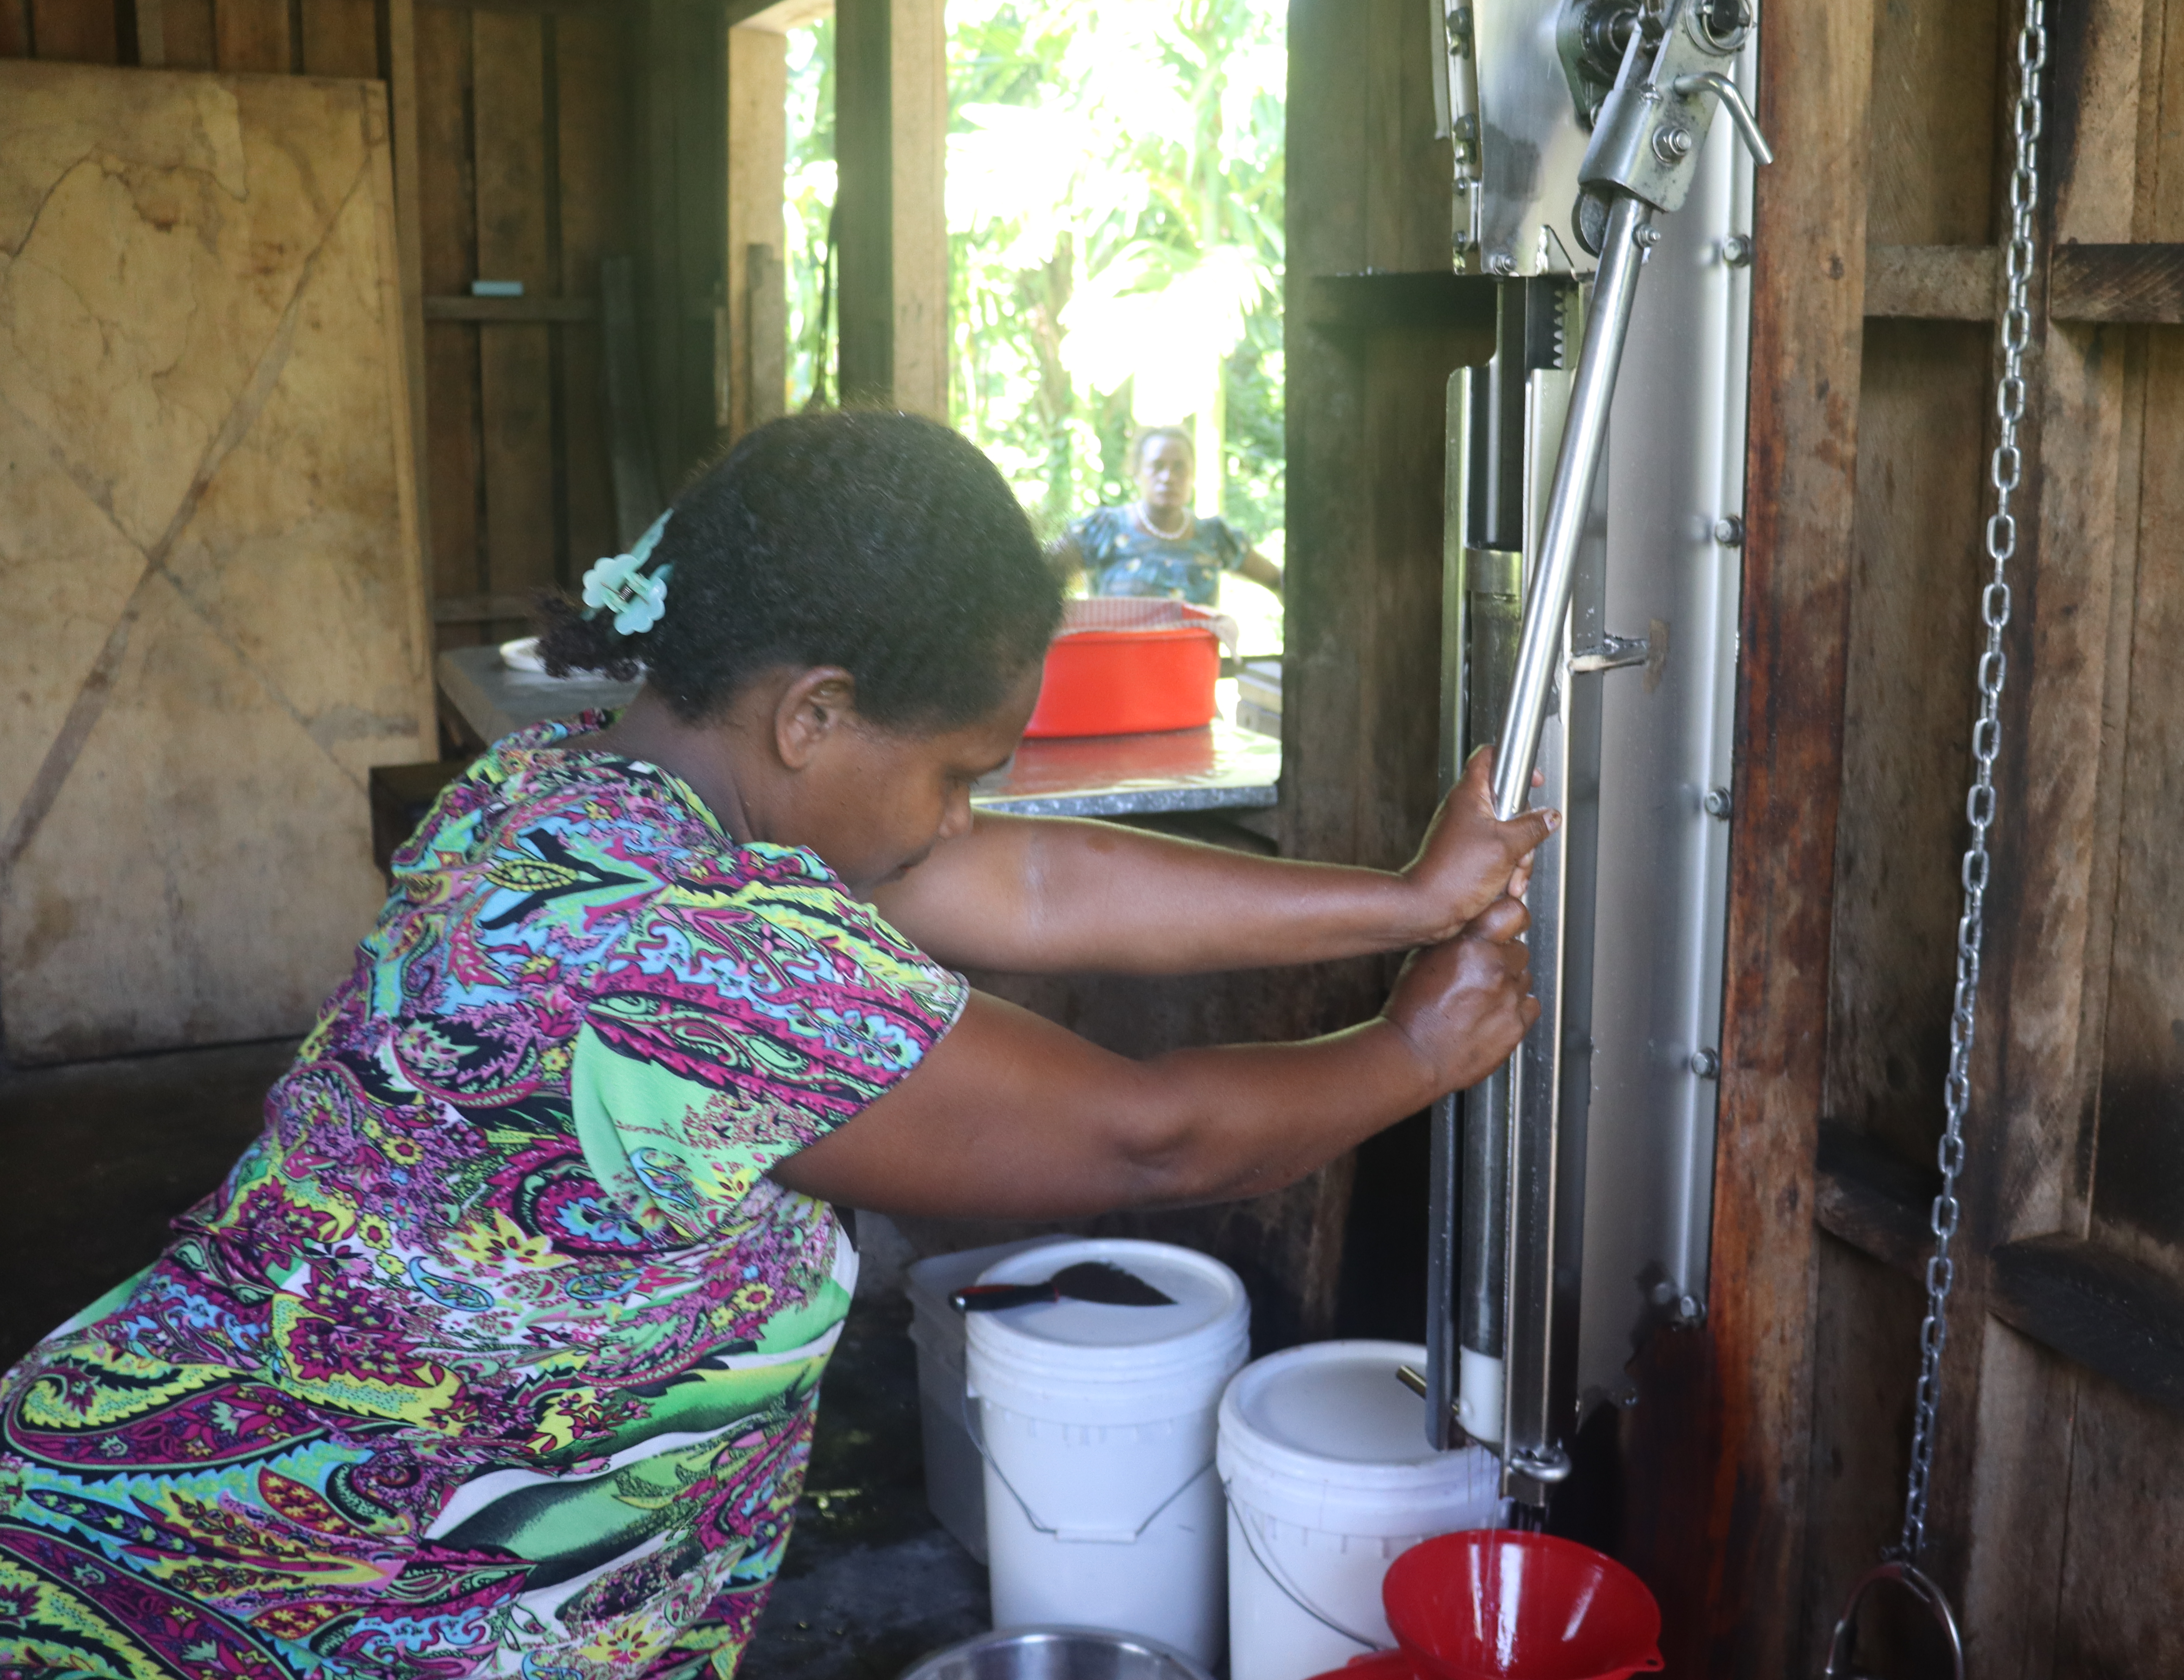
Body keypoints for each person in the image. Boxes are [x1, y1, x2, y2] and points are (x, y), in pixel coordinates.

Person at [0, 412, 1546, 1680]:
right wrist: (1414, 1050)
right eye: (955, 770)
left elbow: (1023, 876)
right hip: (285, 1601)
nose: (958, 817)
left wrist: (1407, 895)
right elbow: (1147, 1133)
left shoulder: (573, 788)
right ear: (813, 716)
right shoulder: (691, 962)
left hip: (251, 1497)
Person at [1049, 425, 1283, 603]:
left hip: (1194, 666)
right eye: (1157, 466)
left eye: (1179, 467)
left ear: (1193, 475)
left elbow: (1279, 581)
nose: (1168, 477)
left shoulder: (1215, 538)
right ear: (1137, 473)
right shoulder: (1102, 530)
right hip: (1119, 666)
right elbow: (1037, 578)